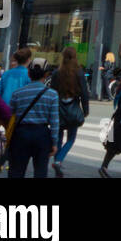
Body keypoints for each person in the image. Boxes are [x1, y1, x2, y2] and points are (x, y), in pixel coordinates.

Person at [7, 63, 59, 178]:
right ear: (46, 75)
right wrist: (54, 142)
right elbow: (54, 121)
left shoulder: (17, 93)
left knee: (16, 171)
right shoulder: (52, 95)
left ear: (29, 74)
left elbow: (11, 115)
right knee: (40, 171)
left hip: (21, 134)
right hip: (42, 135)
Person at [50, 47, 89, 177]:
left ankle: (57, 161)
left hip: (59, 108)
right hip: (73, 107)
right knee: (71, 138)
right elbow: (84, 92)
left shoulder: (57, 72)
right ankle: (59, 160)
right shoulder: (79, 72)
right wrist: (86, 109)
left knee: (59, 138)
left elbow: (52, 91)